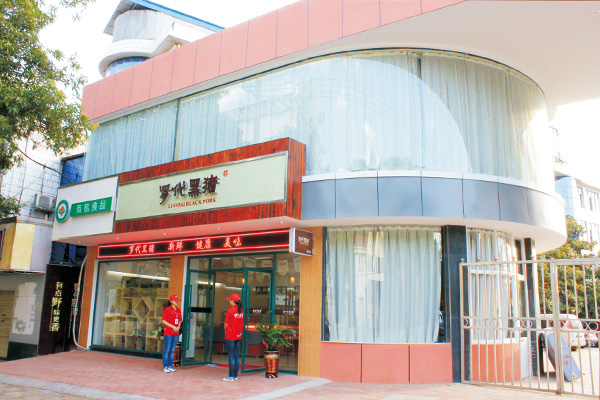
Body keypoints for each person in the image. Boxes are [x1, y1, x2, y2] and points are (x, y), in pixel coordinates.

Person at [223, 293, 244, 381]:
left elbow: (226, 324)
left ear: (232, 301)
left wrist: (226, 331)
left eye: (230, 300)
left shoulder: (230, 311)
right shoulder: (241, 311)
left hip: (230, 336)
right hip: (238, 335)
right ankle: (235, 375)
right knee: (236, 355)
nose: (229, 301)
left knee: (231, 356)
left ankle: (231, 376)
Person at [162, 294, 182, 373]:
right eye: (175, 300)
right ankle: (165, 366)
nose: (177, 302)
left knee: (172, 349)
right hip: (168, 332)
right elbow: (163, 321)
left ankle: (170, 365)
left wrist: (178, 327)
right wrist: (173, 327)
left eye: (177, 301)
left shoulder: (178, 310)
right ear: (171, 301)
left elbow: (180, 320)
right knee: (167, 349)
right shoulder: (167, 309)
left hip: (175, 332)